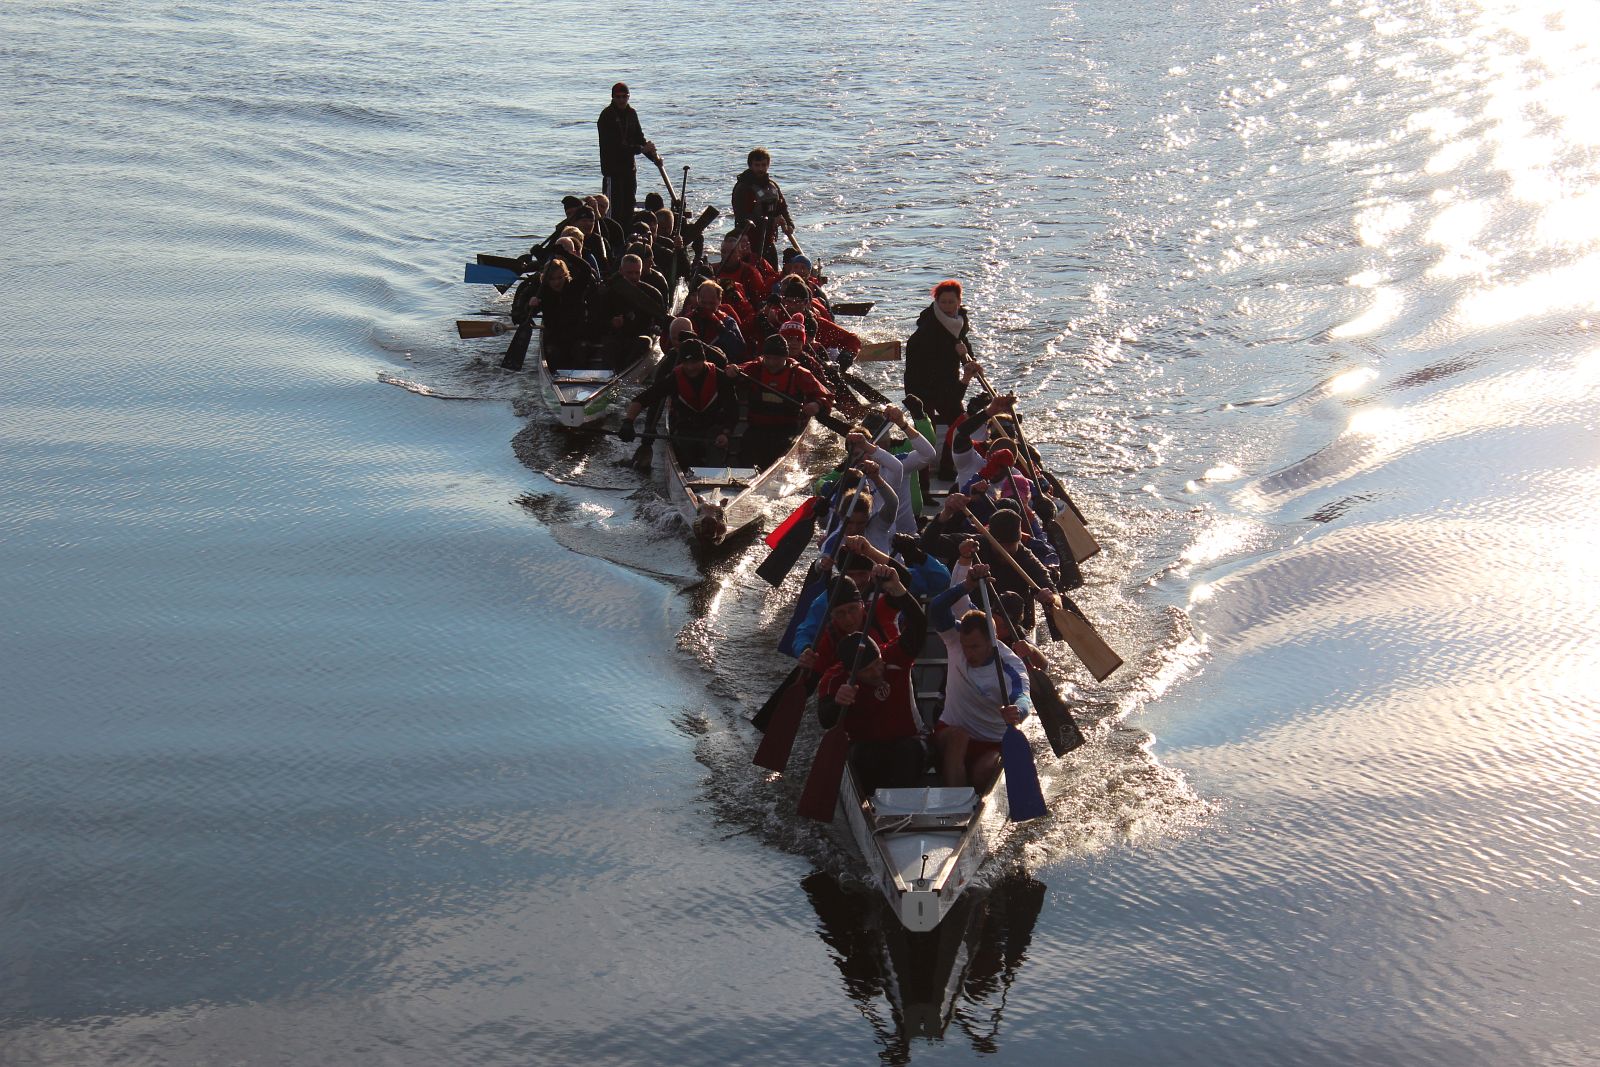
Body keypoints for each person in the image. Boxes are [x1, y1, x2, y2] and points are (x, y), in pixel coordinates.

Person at [816, 566, 931, 796]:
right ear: (851, 673)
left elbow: (919, 624)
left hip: (908, 741)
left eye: (877, 664)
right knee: (864, 757)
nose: (877, 672)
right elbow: (825, 718)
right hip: (868, 747)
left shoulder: (894, 655)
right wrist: (838, 703)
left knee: (908, 752)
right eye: (867, 671)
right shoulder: (835, 678)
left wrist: (898, 588)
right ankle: (869, 803)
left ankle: (900, 802)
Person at [929, 563, 1032, 792]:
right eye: (965, 646)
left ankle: (972, 793)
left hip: (991, 742)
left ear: (992, 641)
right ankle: (956, 801)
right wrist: (966, 586)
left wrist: (1018, 711)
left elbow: (1023, 697)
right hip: (950, 733)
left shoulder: (1010, 666)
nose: (968, 653)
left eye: (975, 647)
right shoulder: (955, 639)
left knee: (982, 773)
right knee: (959, 736)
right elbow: (936, 608)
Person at [618, 337, 736, 467]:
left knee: (715, 455)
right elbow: (642, 399)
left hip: (714, 433)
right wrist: (628, 422)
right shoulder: (674, 378)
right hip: (684, 432)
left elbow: (733, 409)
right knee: (686, 457)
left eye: (695, 362)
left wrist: (726, 433)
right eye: (686, 362)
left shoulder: (720, 377)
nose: (690, 367)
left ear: (703, 360)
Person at [729, 335, 831, 468]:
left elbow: (826, 396)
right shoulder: (754, 367)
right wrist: (731, 370)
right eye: (768, 358)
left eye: (776, 359)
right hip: (757, 428)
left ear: (785, 357)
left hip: (787, 429)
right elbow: (735, 369)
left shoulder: (799, 373)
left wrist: (817, 404)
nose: (771, 363)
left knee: (779, 450)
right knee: (747, 450)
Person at [904, 279, 982, 430]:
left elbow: (962, 341)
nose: (947, 307)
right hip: (921, 385)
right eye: (943, 302)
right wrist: (957, 353)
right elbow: (937, 355)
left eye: (951, 302)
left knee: (960, 426)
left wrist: (970, 360)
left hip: (947, 382)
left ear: (959, 301)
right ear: (937, 302)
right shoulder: (928, 326)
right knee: (927, 431)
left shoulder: (959, 320)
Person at [501, 258, 588, 371]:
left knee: (579, 353)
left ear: (566, 275)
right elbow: (526, 314)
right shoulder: (543, 292)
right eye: (552, 279)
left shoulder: (575, 288)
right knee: (556, 355)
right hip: (554, 338)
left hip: (576, 336)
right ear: (546, 279)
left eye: (560, 278)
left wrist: (566, 254)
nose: (556, 282)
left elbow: (586, 270)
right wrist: (530, 305)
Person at [597, 82, 657, 227]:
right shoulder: (606, 116)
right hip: (613, 172)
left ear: (629, 97)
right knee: (614, 210)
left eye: (624, 96)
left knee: (629, 207)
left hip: (629, 171)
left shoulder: (632, 114)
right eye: (618, 97)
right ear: (613, 97)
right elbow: (616, 146)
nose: (621, 100)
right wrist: (641, 149)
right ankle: (613, 236)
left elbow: (639, 138)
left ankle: (627, 235)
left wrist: (654, 158)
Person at [731, 147, 794, 269]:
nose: (760, 169)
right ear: (750, 166)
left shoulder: (772, 186)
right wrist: (772, 221)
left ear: (768, 165)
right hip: (748, 242)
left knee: (772, 271)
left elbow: (782, 207)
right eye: (757, 165)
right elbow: (743, 217)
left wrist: (789, 223)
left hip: (768, 240)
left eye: (764, 165)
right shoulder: (743, 188)